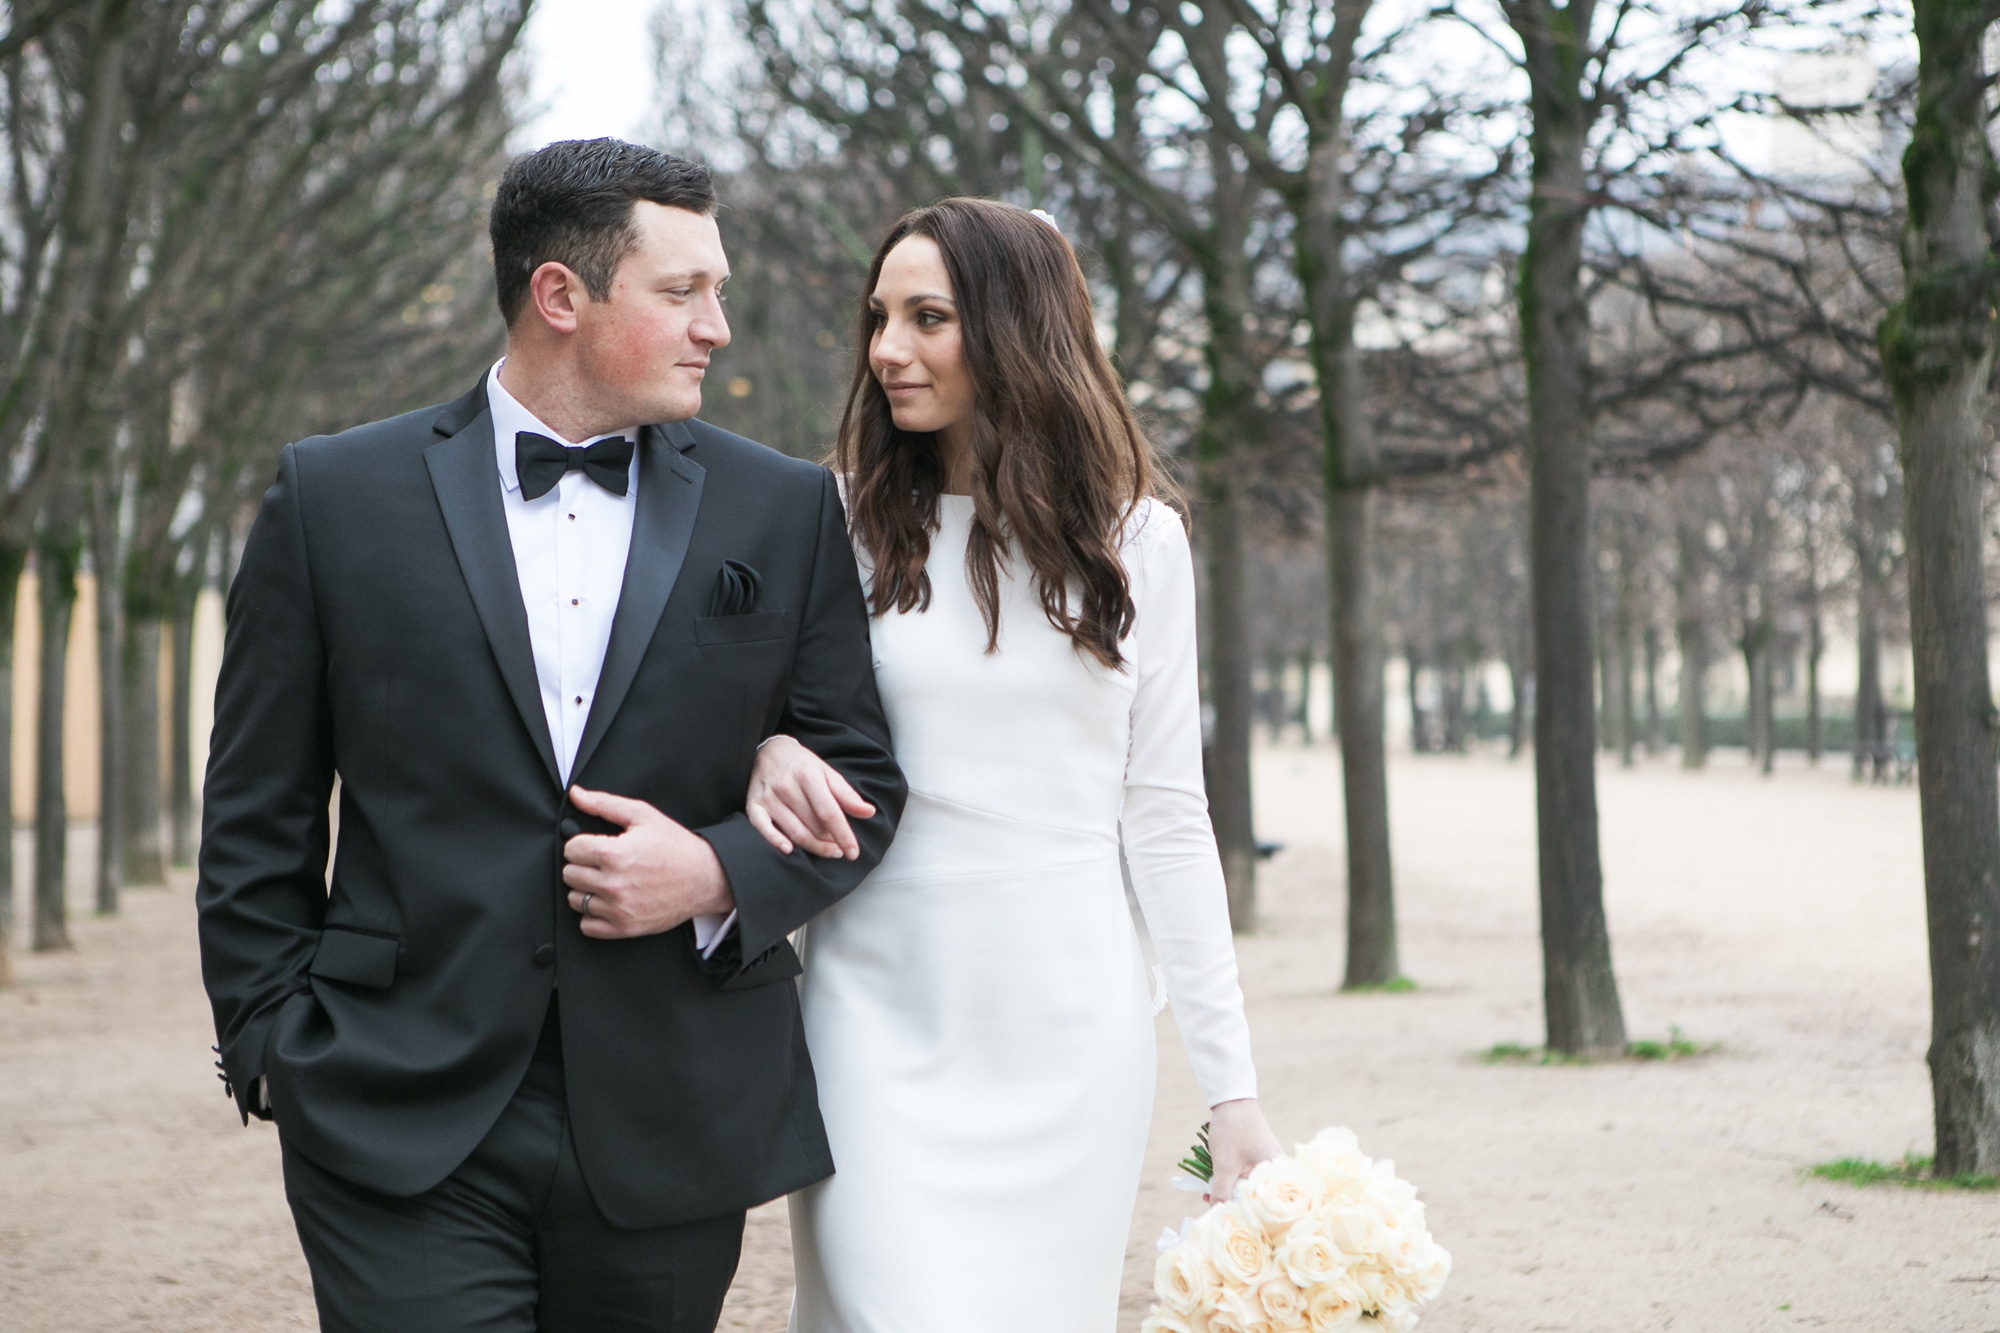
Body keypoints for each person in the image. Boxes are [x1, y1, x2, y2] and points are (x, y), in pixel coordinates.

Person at [195, 138, 905, 1333]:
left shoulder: (781, 508)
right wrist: (273, 1043)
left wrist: (716, 871)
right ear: (560, 296)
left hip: (672, 1111)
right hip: (391, 1104)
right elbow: (254, 807)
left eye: (716, 291)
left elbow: (863, 780)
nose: (715, 326)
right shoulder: (333, 499)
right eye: (682, 292)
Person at [746, 198, 1280, 1332]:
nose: (886, 348)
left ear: (1014, 328)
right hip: (868, 1010)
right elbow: (746, 715)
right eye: (878, 316)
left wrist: (1228, 1090)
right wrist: (766, 745)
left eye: (926, 316)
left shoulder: (1139, 544)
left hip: (1067, 1025)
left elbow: (1168, 818)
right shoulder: (827, 521)